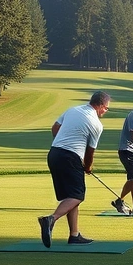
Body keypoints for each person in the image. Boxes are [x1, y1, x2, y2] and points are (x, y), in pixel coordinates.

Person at [38, 91, 111, 248]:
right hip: (70, 158)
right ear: (99, 105)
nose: (105, 111)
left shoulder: (72, 110)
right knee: (78, 196)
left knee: (70, 196)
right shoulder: (97, 124)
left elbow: (55, 128)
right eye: (106, 108)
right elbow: (90, 151)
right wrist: (88, 167)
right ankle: (51, 219)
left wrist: (62, 143)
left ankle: (74, 235)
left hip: (54, 154)